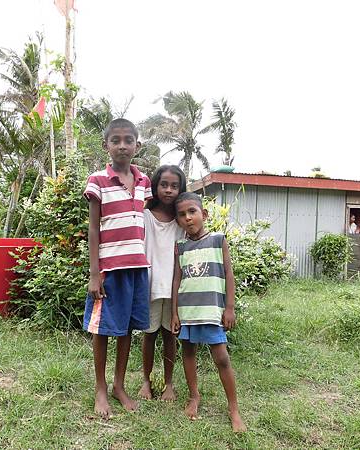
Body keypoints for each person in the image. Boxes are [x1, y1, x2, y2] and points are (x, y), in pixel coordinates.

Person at [83, 118, 153, 418]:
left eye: (128, 140)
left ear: (137, 145)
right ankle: (100, 388)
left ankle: (119, 385)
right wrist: (94, 272)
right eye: (116, 140)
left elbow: (145, 221)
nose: (122, 145)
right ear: (106, 145)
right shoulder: (98, 180)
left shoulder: (144, 182)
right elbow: (94, 228)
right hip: (109, 269)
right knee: (102, 329)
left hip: (137, 267)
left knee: (126, 328)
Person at [170, 192, 246, 433]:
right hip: (188, 310)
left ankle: (233, 408)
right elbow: (176, 280)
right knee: (188, 352)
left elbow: (228, 274)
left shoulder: (217, 239)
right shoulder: (180, 246)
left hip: (211, 310)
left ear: (203, 214)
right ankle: (194, 396)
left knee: (221, 358)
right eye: (181, 215)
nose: (187, 218)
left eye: (192, 212)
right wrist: (174, 313)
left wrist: (230, 307)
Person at [138, 165, 187, 402]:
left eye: (174, 186)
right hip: (150, 284)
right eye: (164, 185)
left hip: (176, 289)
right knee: (149, 335)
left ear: (181, 189)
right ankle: (146, 382)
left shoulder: (182, 220)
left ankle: (169, 384)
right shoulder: (145, 216)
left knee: (170, 335)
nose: (168, 190)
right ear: (155, 186)